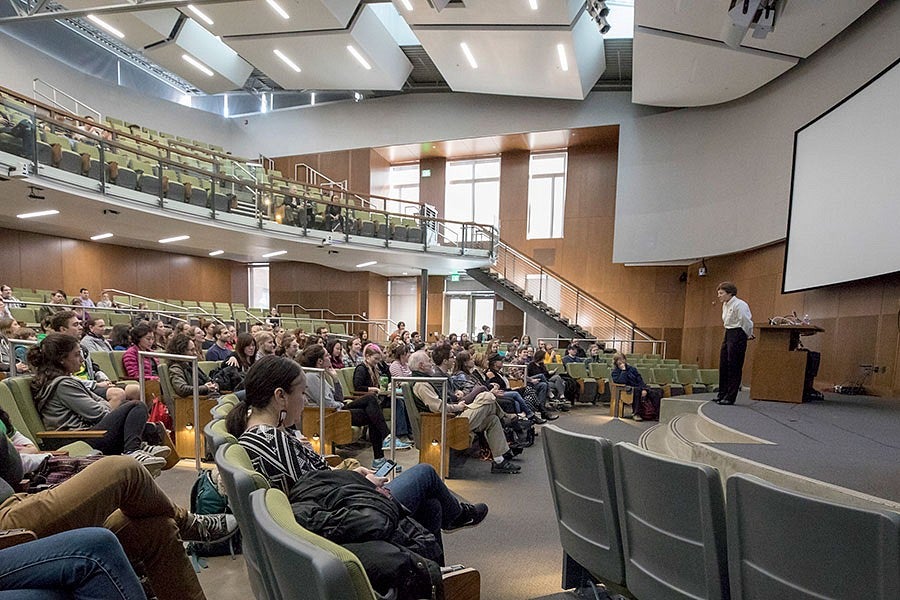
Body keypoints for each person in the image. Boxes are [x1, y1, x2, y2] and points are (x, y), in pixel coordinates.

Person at [224, 356, 487, 568]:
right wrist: (362, 481)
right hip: (343, 518)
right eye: (302, 392)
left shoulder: (263, 434)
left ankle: (434, 575)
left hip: (341, 505)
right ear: (280, 396)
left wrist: (353, 474)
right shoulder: (272, 440)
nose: (305, 401)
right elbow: (313, 496)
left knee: (431, 506)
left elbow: (318, 483)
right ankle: (455, 520)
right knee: (426, 473)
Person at [0, 435, 236, 600]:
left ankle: (185, 523)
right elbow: (13, 467)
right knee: (124, 469)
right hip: (6, 526)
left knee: (158, 530)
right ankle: (190, 524)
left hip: (19, 500)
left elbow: (12, 469)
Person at [27, 333, 168, 471]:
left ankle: (137, 446)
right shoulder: (63, 385)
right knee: (136, 406)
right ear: (61, 360)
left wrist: (108, 405)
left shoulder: (63, 381)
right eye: (76, 355)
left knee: (127, 406)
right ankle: (132, 451)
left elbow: (98, 403)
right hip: (77, 437)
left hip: (84, 433)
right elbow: (98, 413)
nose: (82, 359)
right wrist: (109, 405)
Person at [409, 348, 521, 474]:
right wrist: (458, 407)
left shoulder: (424, 381)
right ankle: (505, 417)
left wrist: (457, 400)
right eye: (429, 361)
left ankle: (499, 461)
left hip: (449, 420)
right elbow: (438, 408)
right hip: (444, 424)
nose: (431, 363)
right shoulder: (421, 384)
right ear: (421, 365)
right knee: (487, 396)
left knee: (492, 419)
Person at [299, 345, 409, 463]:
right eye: (327, 355)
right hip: (329, 414)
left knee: (373, 416)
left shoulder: (322, 375)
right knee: (371, 399)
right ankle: (386, 440)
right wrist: (341, 404)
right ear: (320, 361)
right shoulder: (312, 377)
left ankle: (379, 458)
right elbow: (328, 404)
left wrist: (335, 379)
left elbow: (338, 397)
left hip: (336, 409)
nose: (330, 356)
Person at [715, 281, 754, 405]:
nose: (719, 296)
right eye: (718, 293)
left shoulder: (740, 304)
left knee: (734, 366)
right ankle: (722, 394)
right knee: (724, 364)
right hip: (728, 332)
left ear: (730, 293)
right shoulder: (725, 304)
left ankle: (730, 397)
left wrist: (748, 334)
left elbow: (746, 321)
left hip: (738, 333)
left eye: (721, 293)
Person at [165, 333, 220, 397]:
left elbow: (208, 379)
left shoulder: (191, 364)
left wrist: (214, 385)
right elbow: (181, 389)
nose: (195, 353)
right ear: (181, 351)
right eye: (191, 350)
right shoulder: (175, 368)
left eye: (195, 349)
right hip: (192, 401)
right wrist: (205, 388)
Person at [610, 352, 660, 421]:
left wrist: (644, 389)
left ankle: (656, 414)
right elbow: (621, 381)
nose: (621, 361)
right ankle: (636, 413)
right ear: (616, 362)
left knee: (655, 393)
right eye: (619, 360)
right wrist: (623, 371)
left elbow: (640, 380)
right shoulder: (615, 372)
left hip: (638, 387)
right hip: (625, 389)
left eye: (623, 359)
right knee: (636, 391)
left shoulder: (632, 369)